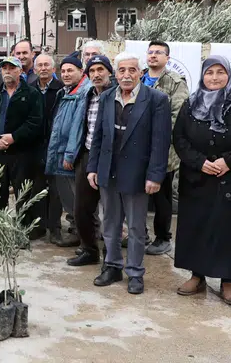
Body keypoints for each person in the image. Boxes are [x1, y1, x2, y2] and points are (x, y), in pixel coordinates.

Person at [173, 56, 231, 306]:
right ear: (202, 76)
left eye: (220, 72)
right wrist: (200, 162)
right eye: (209, 72)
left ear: (228, 74)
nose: (214, 77)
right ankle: (197, 276)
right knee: (198, 227)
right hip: (200, 178)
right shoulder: (191, 103)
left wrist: (229, 162)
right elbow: (179, 138)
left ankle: (228, 282)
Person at [87, 52, 171, 295]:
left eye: (132, 70)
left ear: (140, 73)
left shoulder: (156, 100)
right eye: (122, 70)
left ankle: (135, 273)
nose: (126, 75)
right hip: (108, 171)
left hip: (137, 174)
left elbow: (161, 141)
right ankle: (112, 266)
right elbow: (98, 136)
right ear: (115, 73)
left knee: (135, 227)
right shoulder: (106, 97)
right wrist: (93, 167)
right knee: (110, 224)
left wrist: (155, 175)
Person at [140, 41, 189, 256]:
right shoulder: (139, 78)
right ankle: (139, 233)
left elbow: (178, 115)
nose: (153, 55)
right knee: (137, 195)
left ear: (167, 58)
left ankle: (162, 237)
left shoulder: (175, 82)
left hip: (163, 151)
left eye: (158, 53)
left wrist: (158, 139)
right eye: (150, 52)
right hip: (137, 149)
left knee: (161, 198)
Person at [0, 57, 44, 216]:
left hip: (23, 153)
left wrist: (14, 137)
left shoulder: (32, 94)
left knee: (24, 195)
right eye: (5, 68)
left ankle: (24, 227)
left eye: (12, 68)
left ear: (20, 71)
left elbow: (35, 122)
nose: (8, 71)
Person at [67, 55, 113, 266]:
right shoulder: (87, 95)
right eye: (92, 71)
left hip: (111, 158)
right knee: (82, 209)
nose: (96, 74)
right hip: (86, 155)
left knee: (111, 211)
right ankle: (89, 250)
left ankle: (111, 258)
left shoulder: (116, 95)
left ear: (109, 72)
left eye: (100, 69)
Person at [45, 56, 90, 247]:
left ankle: (86, 239)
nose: (65, 74)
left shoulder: (84, 92)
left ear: (81, 71)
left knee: (78, 198)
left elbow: (77, 127)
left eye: (70, 70)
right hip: (61, 151)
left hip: (71, 155)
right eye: (63, 71)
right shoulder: (66, 91)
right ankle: (77, 231)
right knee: (69, 197)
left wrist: (70, 154)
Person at [29, 54, 63, 239]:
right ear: (35, 70)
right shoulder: (30, 88)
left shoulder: (61, 89)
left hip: (55, 144)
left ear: (53, 69)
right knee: (37, 187)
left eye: (46, 65)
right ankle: (38, 225)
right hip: (35, 145)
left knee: (56, 189)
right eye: (39, 65)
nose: (43, 68)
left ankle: (54, 227)